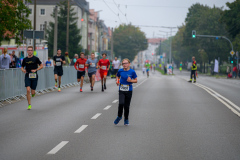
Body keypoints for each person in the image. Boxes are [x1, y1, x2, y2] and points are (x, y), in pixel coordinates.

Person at [114, 58, 138, 126]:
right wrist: (117, 81)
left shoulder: (132, 72)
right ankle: (119, 116)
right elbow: (117, 76)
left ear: (129, 64)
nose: (125, 65)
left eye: (126, 63)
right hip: (121, 89)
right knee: (121, 103)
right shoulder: (120, 70)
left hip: (129, 89)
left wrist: (131, 81)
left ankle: (126, 119)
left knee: (127, 106)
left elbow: (136, 80)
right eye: (123, 63)